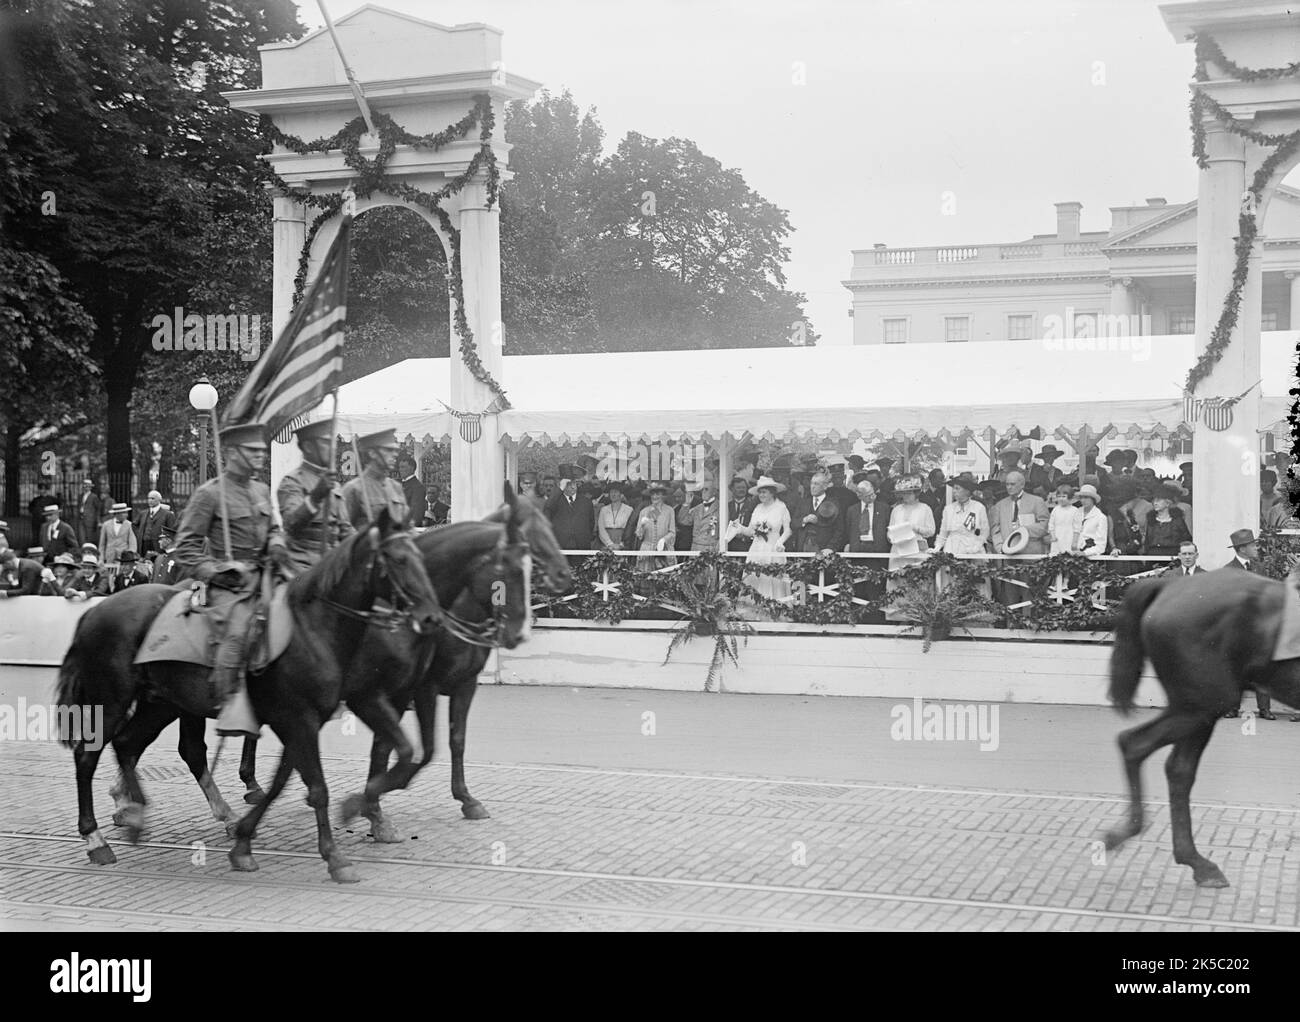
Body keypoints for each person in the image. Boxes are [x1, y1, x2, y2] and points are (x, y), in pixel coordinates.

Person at [172, 421, 289, 737]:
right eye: (254, 451)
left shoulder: (261, 490)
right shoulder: (209, 494)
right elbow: (185, 546)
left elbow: (274, 529)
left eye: (262, 451)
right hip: (230, 586)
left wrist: (277, 544)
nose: (261, 456)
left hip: (266, 576)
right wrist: (217, 571)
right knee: (239, 631)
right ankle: (231, 703)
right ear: (232, 453)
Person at [278, 419, 355, 573]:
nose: (333, 448)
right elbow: (291, 525)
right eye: (326, 443)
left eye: (333, 443)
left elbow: (345, 529)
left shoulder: (335, 486)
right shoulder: (292, 481)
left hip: (333, 561)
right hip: (302, 564)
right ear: (308, 447)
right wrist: (316, 497)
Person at [1221, 529, 1275, 719]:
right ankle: (1232, 707)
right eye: (1252, 545)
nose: (1255, 547)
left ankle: (1265, 708)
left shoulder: (1260, 567)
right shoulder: (1229, 571)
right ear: (1242, 549)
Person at [736, 476, 791, 610]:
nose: (761, 495)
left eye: (764, 492)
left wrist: (780, 542)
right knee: (755, 578)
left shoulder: (781, 507)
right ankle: (753, 612)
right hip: (756, 549)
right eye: (760, 492)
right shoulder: (757, 508)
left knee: (772, 579)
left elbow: (788, 530)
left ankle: (774, 612)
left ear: (772, 492)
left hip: (773, 548)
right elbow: (750, 531)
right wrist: (738, 527)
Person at [341, 429, 408, 529]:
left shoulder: (396, 487)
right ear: (372, 453)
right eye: (388, 450)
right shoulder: (354, 489)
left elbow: (407, 526)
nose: (395, 454)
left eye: (395, 450)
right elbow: (343, 530)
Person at [990, 471, 1050, 556]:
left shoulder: (1037, 501)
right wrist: (1000, 548)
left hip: (1031, 553)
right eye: (1007, 484)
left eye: (1012, 484)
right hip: (1008, 554)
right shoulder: (1000, 505)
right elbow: (995, 529)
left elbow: (1045, 526)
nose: (1009, 487)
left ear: (1022, 485)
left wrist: (1024, 530)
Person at [935, 474, 989, 557]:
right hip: (951, 550)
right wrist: (937, 548)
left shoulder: (979, 507)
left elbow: (985, 532)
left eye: (957, 488)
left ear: (967, 490)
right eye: (953, 488)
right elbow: (943, 533)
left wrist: (975, 548)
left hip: (972, 551)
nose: (954, 491)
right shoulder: (948, 509)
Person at [1141, 484, 1192, 559]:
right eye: (1154, 500)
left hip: (1172, 559)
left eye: (1158, 500)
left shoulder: (1177, 521)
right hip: (1152, 559)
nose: (1155, 503)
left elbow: (1186, 541)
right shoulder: (1151, 520)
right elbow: (1147, 542)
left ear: (1168, 503)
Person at [797, 471, 843, 556]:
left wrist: (831, 548)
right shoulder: (803, 502)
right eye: (811, 483)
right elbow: (793, 523)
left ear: (825, 486)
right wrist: (804, 520)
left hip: (824, 550)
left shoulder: (834, 503)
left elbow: (839, 529)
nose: (812, 487)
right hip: (803, 548)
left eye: (816, 484)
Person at [546, 476, 595, 554]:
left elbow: (591, 523)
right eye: (568, 484)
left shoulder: (586, 502)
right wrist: (560, 489)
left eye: (574, 484)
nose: (572, 487)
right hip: (560, 546)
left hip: (581, 546)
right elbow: (547, 508)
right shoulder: (555, 501)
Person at [634, 482, 676, 571]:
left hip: (664, 549)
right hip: (647, 550)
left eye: (658, 494)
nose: (655, 496)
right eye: (652, 494)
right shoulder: (644, 511)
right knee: (645, 579)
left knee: (664, 578)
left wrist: (664, 539)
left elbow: (672, 532)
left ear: (663, 495)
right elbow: (639, 535)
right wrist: (642, 526)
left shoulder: (669, 511)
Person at [134, 490, 177, 558]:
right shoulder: (143, 513)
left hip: (159, 546)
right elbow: (134, 525)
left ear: (159, 500)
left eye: (152, 498)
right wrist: (139, 535)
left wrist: (166, 542)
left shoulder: (167, 514)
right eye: (148, 498)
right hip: (144, 545)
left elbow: (172, 531)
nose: (150, 500)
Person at [684, 476, 721, 553]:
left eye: (706, 489)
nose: (703, 492)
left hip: (711, 548)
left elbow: (725, 531)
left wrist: (719, 546)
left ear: (714, 491)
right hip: (695, 548)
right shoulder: (697, 508)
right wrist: (686, 504)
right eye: (702, 489)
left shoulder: (721, 508)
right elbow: (684, 521)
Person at [1072, 484, 1109, 558]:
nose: (1083, 500)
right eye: (1081, 498)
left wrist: (1085, 553)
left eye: (1086, 497)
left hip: (1092, 557)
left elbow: (1101, 546)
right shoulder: (1076, 513)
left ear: (1093, 499)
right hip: (1074, 555)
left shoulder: (1100, 517)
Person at [597, 481, 634, 551]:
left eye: (616, 492)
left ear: (621, 494)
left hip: (623, 543)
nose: (613, 494)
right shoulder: (603, 510)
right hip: (606, 543)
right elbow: (601, 528)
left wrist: (621, 544)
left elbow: (630, 529)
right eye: (611, 492)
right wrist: (609, 544)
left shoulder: (629, 509)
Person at [725, 477, 756, 554]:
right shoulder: (727, 506)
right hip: (730, 546)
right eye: (738, 487)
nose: (742, 490)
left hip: (747, 546)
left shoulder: (752, 505)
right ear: (732, 489)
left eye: (744, 487)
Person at [395, 453, 424, 528]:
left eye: (403, 467)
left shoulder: (417, 487)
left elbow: (417, 513)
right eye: (399, 467)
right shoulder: (398, 484)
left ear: (412, 468)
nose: (400, 470)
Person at [1047, 484, 1077, 555]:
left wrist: (1075, 541)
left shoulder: (1074, 510)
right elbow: (1051, 524)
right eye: (1059, 496)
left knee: (1068, 555)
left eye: (1064, 496)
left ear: (1070, 498)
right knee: (1056, 555)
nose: (1061, 499)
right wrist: (1053, 536)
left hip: (1069, 536)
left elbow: (1077, 527)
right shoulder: (1055, 509)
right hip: (1057, 536)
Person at [74, 478, 104, 545]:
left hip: (90, 519)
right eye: (85, 486)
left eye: (88, 486)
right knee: (81, 537)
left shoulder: (94, 496)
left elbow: (98, 508)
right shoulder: (80, 496)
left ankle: (89, 549)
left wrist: (98, 520)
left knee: (89, 536)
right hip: (81, 518)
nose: (86, 488)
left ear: (90, 487)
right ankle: (83, 548)